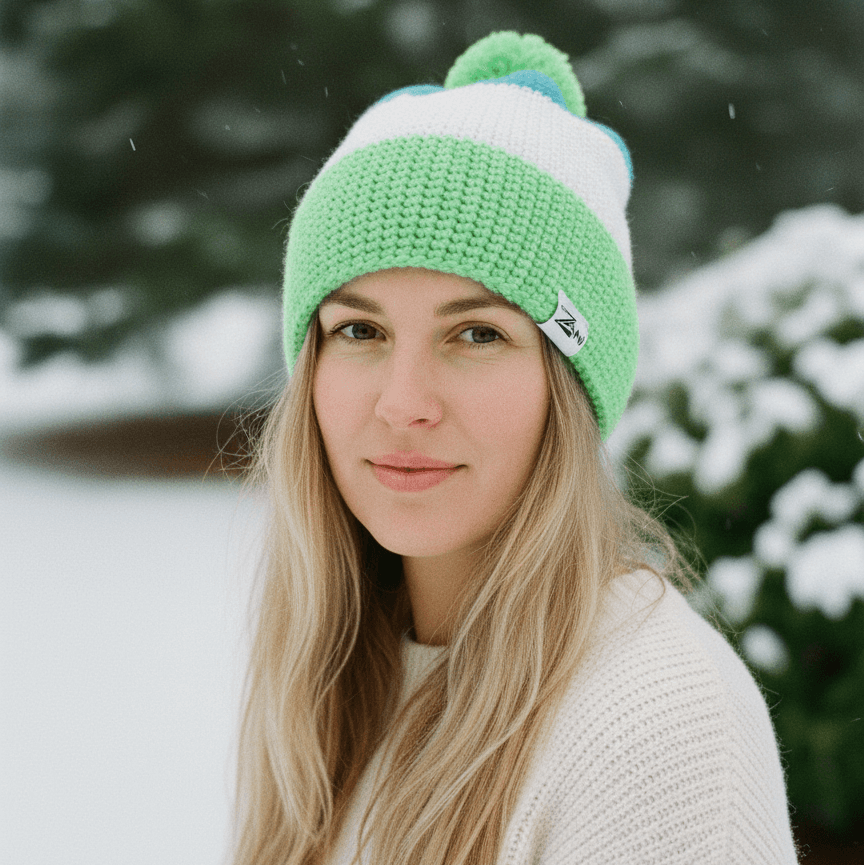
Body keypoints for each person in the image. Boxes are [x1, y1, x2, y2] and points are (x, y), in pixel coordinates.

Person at [230, 31, 801, 865]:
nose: (403, 402)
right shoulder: (333, 677)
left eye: (476, 332)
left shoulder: (659, 725)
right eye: (359, 329)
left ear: (567, 384)